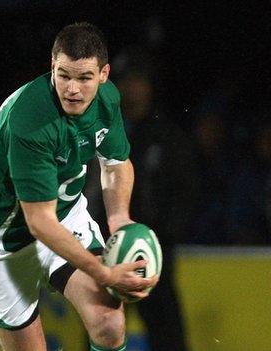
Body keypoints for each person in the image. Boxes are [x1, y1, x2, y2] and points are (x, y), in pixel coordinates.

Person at [0, 23, 158, 351]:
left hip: (64, 217)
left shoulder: (107, 100)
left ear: (104, 74)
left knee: (110, 326)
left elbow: (117, 163)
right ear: (52, 67)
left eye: (84, 78)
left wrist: (120, 218)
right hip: (0, 242)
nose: (73, 89)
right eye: (64, 75)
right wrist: (105, 274)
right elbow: (39, 222)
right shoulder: (31, 121)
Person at [115, 63, 193, 350]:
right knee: (103, 327)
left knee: (167, 334)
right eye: (126, 81)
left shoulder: (167, 136)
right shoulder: (107, 133)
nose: (132, 88)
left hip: (156, 253)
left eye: (139, 79)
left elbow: (185, 191)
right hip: (111, 252)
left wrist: (162, 235)